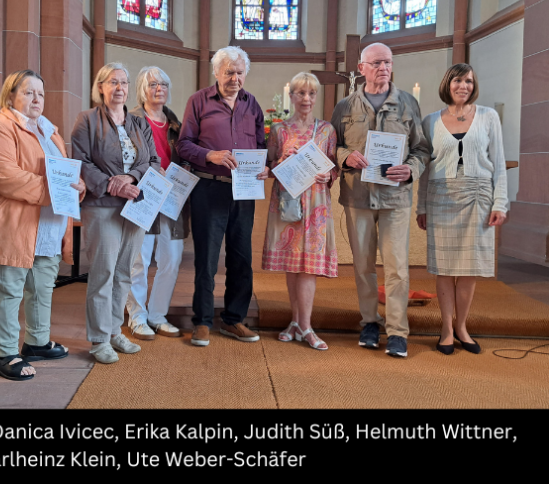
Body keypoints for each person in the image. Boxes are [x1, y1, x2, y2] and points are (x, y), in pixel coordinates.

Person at [0, 70, 85, 380]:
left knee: (42, 286)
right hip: (10, 225)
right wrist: (58, 189)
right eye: (29, 92)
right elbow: (6, 176)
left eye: (41, 94)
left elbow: (63, 174)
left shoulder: (50, 131)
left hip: (48, 226)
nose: (36, 99)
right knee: (8, 289)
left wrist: (77, 185)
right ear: (11, 95)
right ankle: (4, 353)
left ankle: (37, 342)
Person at [330, 42, 430, 358]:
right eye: (376, 63)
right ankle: (370, 322)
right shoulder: (344, 107)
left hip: (395, 197)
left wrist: (411, 168)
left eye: (387, 62)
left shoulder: (408, 103)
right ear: (361, 69)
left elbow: (422, 149)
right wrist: (347, 156)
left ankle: (398, 331)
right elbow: (330, 146)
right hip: (358, 196)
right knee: (362, 266)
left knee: (397, 267)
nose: (383, 68)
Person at [176, 46, 269, 347]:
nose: (235, 77)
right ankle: (202, 321)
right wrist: (211, 155)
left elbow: (261, 144)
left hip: (244, 190)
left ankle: (234, 319)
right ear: (216, 72)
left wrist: (263, 166)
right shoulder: (198, 101)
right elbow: (184, 145)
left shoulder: (252, 105)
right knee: (206, 258)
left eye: (240, 72)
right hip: (209, 187)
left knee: (241, 257)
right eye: (229, 71)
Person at [72, 63, 161, 364]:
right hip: (101, 207)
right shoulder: (87, 120)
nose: (119, 88)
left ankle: (113, 331)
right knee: (103, 272)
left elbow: (155, 162)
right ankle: (99, 339)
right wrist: (112, 185)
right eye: (113, 82)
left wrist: (132, 179)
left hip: (135, 206)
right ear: (100, 87)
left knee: (125, 272)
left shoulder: (139, 124)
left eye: (123, 83)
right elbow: (80, 161)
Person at [416, 64, 507, 355]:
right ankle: (445, 328)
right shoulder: (430, 121)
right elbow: (425, 170)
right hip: (441, 198)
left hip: (478, 198)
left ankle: (462, 327)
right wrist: (421, 206)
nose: (463, 86)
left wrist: (500, 203)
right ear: (448, 84)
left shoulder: (489, 117)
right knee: (444, 268)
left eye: (468, 81)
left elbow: (499, 163)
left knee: (468, 269)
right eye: (458, 80)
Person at [262, 72, 339, 350]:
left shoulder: (327, 129)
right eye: (300, 93)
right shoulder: (280, 129)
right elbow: (269, 165)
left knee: (308, 267)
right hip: (287, 200)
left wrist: (327, 176)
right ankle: (295, 322)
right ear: (291, 96)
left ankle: (306, 326)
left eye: (311, 94)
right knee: (292, 265)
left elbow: (334, 167)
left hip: (316, 203)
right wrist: (281, 159)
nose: (306, 99)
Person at [126, 66, 187, 340]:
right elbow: (122, 156)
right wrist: (147, 171)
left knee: (172, 258)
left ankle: (157, 314)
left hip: (171, 196)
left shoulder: (175, 122)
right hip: (143, 193)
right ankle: (137, 317)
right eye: (153, 84)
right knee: (138, 259)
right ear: (142, 89)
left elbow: (184, 156)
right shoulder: (131, 120)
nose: (159, 88)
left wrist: (182, 173)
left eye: (163, 83)